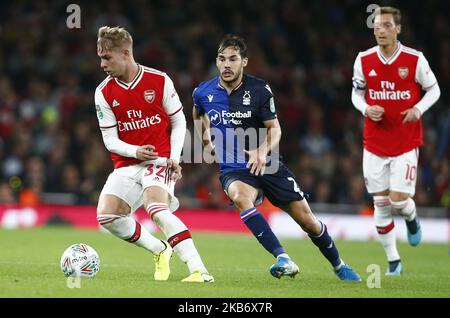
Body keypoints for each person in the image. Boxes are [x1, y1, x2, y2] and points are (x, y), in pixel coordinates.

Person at [192, 34, 361, 281]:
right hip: (234, 168)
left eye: (233, 59)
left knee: (308, 222)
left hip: (268, 165)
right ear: (216, 62)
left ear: (245, 62)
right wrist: (205, 136)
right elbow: (197, 114)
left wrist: (261, 151)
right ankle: (283, 258)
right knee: (240, 198)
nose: (226, 64)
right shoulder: (203, 92)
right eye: (221, 59)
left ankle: (339, 264)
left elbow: (275, 129)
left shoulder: (259, 89)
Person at [94, 26, 213, 283]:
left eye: (107, 57)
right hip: (126, 163)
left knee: (156, 208)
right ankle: (160, 249)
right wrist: (135, 151)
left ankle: (199, 270)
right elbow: (109, 140)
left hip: (159, 160)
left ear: (125, 53)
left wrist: (174, 157)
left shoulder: (158, 80)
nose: (102, 63)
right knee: (107, 216)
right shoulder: (103, 92)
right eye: (100, 57)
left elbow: (179, 121)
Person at [352, 7, 440, 275]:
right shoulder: (364, 59)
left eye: (387, 25)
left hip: (404, 141)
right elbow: (356, 94)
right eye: (377, 26)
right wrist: (365, 108)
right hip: (375, 142)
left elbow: (434, 89)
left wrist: (418, 110)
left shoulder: (414, 59)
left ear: (398, 29)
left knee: (399, 200)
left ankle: (411, 219)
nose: (380, 30)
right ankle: (394, 261)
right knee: (380, 202)